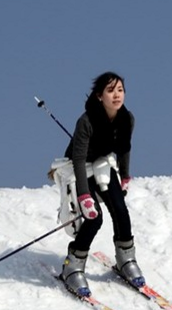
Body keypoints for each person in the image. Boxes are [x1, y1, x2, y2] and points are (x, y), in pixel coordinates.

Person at [57, 72, 144, 297]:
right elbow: (77, 159)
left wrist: (125, 176)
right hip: (80, 168)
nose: (117, 95)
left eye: (120, 90)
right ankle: (73, 265)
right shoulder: (86, 121)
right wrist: (85, 196)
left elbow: (124, 148)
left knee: (121, 210)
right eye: (110, 90)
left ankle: (126, 259)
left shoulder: (127, 118)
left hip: (103, 164)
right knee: (94, 218)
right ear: (99, 96)